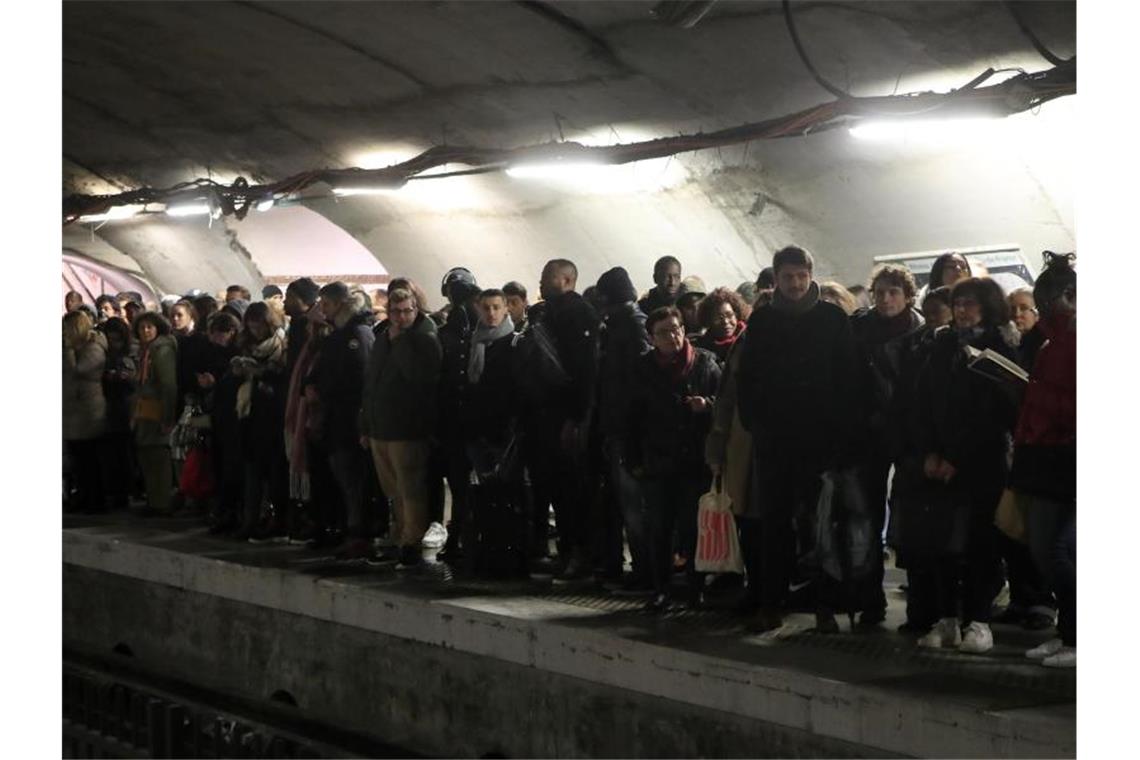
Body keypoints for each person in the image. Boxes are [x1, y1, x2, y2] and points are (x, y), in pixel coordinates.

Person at [736, 245, 861, 633]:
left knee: (821, 525)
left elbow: (848, 379)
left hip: (819, 440)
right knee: (775, 526)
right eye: (787, 277)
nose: (794, 284)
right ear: (776, 279)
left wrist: (840, 435)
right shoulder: (763, 322)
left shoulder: (832, 319)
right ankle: (773, 602)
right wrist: (757, 423)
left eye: (800, 276)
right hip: (776, 441)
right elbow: (748, 378)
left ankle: (825, 605)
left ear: (810, 275)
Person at [911, 277, 1020, 654]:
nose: (962, 311)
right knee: (941, 543)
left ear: (988, 306)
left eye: (970, 304)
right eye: (958, 303)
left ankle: (978, 620)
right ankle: (946, 619)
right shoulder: (941, 346)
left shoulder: (1000, 348)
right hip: (940, 462)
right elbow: (922, 402)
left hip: (982, 462)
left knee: (980, 544)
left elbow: (994, 413)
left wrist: (957, 457)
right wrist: (930, 452)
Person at [626, 306, 720, 609]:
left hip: (694, 460)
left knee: (693, 527)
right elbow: (631, 419)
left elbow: (726, 402)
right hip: (658, 461)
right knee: (660, 527)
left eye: (677, 328)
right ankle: (662, 587)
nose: (674, 336)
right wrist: (635, 460)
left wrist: (707, 405)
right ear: (652, 338)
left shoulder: (704, 363)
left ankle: (695, 586)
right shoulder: (642, 370)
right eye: (665, 331)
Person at [1010, 252, 1076, 668]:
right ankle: (1069, 631)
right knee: (1041, 546)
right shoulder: (1051, 345)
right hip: (1043, 454)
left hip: (1068, 454)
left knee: (1055, 549)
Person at [850, 264, 925, 626]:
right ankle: (869, 598)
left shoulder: (923, 334)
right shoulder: (861, 331)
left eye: (893, 291)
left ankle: (921, 605)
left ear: (908, 296)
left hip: (910, 434)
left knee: (911, 516)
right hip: (870, 433)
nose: (885, 299)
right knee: (867, 517)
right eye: (880, 292)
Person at [360, 287, 443, 568]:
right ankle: (398, 536)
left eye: (407, 311)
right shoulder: (384, 337)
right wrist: (366, 425)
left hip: (407, 427)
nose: (401, 317)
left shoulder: (424, 339)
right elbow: (371, 382)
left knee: (410, 487)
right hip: (381, 427)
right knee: (392, 490)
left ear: (416, 309)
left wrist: (402, 344)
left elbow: (420, 379)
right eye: (395, 312)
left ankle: (411, 541)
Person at [531, 259, 600, 581]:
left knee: (573, 489)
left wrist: (575, 418)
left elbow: (584, 371)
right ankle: (567, 550)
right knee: (558, 487)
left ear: (568, 279)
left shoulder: (577, 313)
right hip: (549, 413)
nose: (542, 282)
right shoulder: (550, 313)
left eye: (548, 277)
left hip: (567, 415)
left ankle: (580, 553)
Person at [594, 267, 652, 594]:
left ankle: (645, 571)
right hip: (619, 428)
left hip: (627, 431)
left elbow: (635, 383)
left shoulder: (630, 327)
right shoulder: (623, 326)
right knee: (627, 504)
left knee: (634, 505)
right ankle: (641, 568)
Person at [306, 282, 375, 557]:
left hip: (348, 419)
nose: (322, 310)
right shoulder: (346, 333)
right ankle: (350, 529)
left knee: (352, 479)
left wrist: (322, 390)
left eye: (325, 304)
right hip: (340, 418)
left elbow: (356, 377)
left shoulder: (354, 335)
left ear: (338, 304)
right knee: (344, 478)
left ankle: (358, 532)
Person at [435, 267, 482, 560]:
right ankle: (461, 534)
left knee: (470, 482)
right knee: (460, 482)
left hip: (471, 420)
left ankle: (469, 534)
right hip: (454, 419)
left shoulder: (481, 333)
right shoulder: (447, 333)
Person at [232, 303, 290, 541]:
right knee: (252, 472)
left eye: (259, 324)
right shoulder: (246, 346)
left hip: (273, 416)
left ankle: (278, 520)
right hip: (250, 415)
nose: (255, 329)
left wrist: (262, 373)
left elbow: (283, 378)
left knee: (275, 474)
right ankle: (250, 520)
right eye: (251, 324)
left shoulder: (280, 346)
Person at [131, 312, 179, 513]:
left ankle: (160, 502)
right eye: (142, 328)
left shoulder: (161, 350)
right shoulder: (146, 351)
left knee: (157, 457)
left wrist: (168, 416)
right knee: (147, 456)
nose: (145, 331)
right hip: (146, 407)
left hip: (157, 407)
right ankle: (154, 499)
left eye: (149, 327)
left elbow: (168, 385)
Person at [63, 310, 108, 513]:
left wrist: (68, 349)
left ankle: (94, 499)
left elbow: (78, 370)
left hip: (88, 411)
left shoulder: (94, 348)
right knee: (78, 460)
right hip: (73, 410)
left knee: (89, 458)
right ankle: (81, 496)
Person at [97, 317, 137, 511]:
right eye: (110, 339)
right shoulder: (103, 356)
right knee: (110, 454)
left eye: (117, 339)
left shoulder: (130, 355)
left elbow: (136, 383)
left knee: (122, 453)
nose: (113, 344)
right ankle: (113, 491)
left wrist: (126, 378)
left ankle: (123, 492)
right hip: (108, 408)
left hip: (123, 408)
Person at [695, 287, 748, 366]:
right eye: (719, 318)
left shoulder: (749, 339)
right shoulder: (703, 349)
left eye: (730, 315)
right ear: (709, 320)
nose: (726, 322)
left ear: (736, 315)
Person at [1008, 288, 1046, 371]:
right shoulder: (1005, 339)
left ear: (1037, 313)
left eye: (1023, 308)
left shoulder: (1043, 342)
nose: (1017, 314)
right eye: (1012, 309)